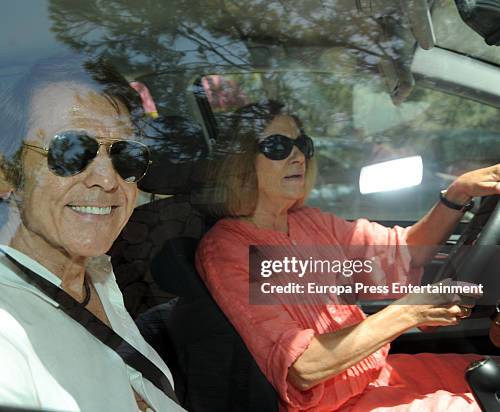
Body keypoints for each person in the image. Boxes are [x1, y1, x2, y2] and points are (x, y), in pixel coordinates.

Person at [0, 56, 185, 412]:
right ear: (6, 174)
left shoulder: (94, 278)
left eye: (126, 155)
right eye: (71, 151)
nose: (108, 180)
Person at [195, 99, 500, 411]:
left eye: (302, 144)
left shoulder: (309, 223)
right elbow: (303, 367)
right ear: (241, 162)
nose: (298, 156)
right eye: (277, 146)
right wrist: (410, 312)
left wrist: (458, 193)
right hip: (332, 405)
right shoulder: (228, 249)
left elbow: (405, 251)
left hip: (377, 377)